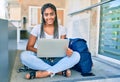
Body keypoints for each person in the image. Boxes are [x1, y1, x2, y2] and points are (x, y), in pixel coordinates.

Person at [20, 3, 80, 79]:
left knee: (76, 55)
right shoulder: (37, 28)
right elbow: (29, 47)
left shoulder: (61, 29)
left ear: (55, 14)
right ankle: (58, 71)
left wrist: (68, 51)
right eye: (46, 15)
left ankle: (45, 72)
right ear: (43, 16)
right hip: (42, 58)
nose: (49, 17)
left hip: (57, 59)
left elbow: (63, 48)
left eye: (52, 14)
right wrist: (42, 52)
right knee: (24, 56)